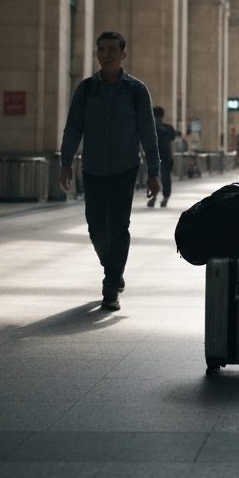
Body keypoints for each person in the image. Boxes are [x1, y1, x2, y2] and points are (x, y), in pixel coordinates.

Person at [60, 31, 160, 311]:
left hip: (124, 169)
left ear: (123, 55)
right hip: (92, 168)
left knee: (118, 226)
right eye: (101, 50)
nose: (106, 55)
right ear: (96, 54)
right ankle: (113, 267)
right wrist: (65, 162)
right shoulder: (86, 89)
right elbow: (73, 127)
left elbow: (148, 134)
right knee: (95, 227)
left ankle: (110, 285)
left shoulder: (136, 90)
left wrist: (155, 171)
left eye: (112, 50)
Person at [147, 107, 177, 209]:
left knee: (153, 176)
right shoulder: (168, 128)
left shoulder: (151, 127)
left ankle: (153, 196)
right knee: (165, 177)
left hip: (154, 156)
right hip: (166, 155)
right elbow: (172, 138)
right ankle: (165, 197)